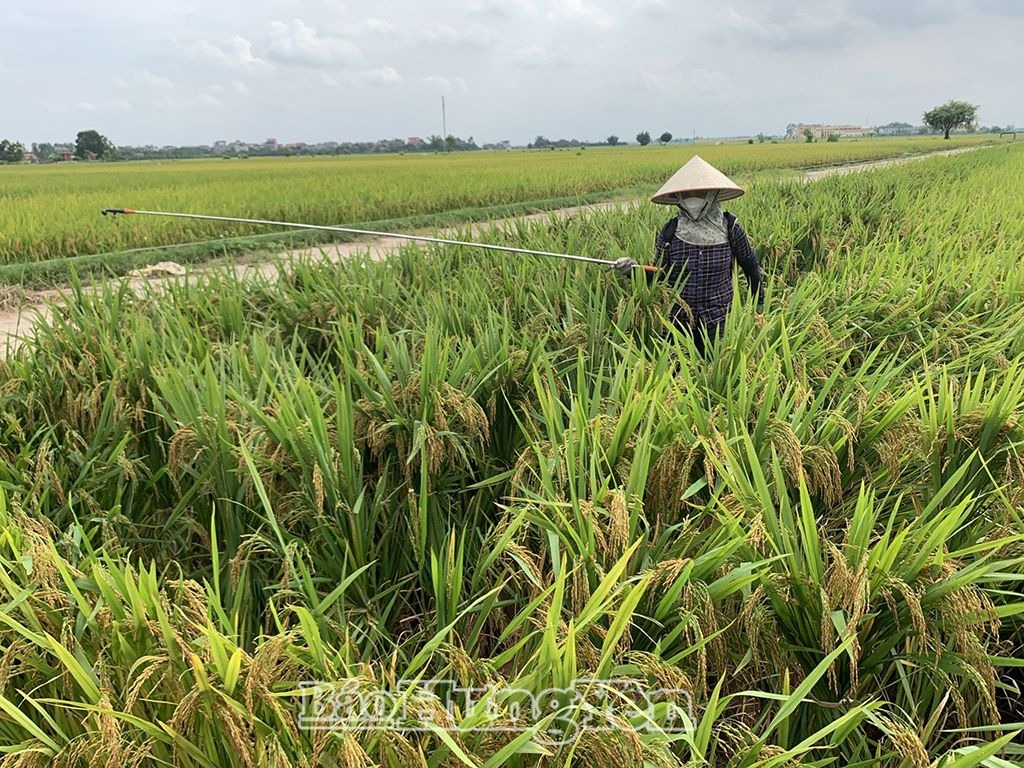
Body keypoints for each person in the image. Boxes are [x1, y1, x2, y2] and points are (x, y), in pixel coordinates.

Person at [615, 155, 764, 356]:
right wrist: (632, 270)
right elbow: (660, 275)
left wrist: (759, 305)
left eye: (700, 192)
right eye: (687, 193)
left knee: (718, 372)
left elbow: (751, 267)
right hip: (678, 321)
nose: (693, 197)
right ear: (679, 198)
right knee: (676, 375)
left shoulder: (730, 228)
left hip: (719, 321)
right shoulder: (671, 231)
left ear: (712, 194)